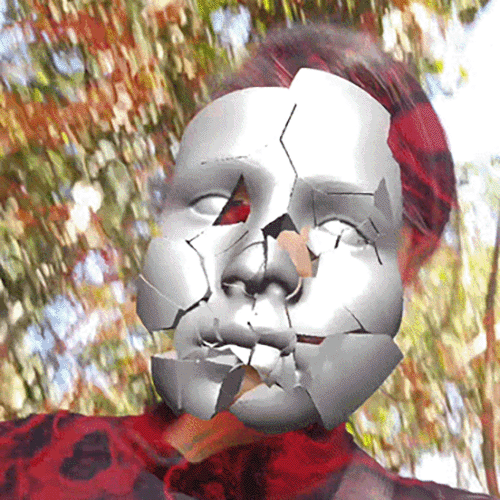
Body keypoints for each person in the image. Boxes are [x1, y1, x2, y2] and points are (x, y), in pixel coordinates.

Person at [0, 23, 495, 500]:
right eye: (232, 200)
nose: (264, 262)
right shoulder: (24, 465)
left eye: (337, 225)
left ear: (407, 268)